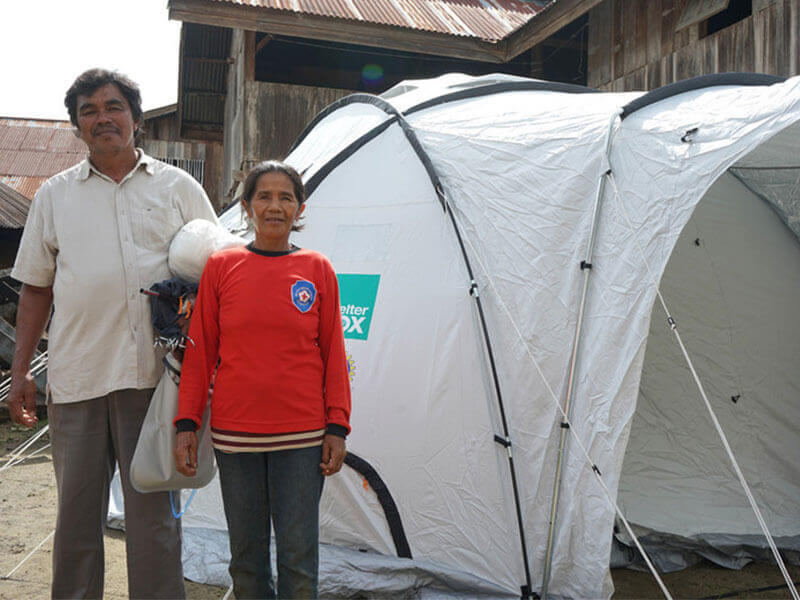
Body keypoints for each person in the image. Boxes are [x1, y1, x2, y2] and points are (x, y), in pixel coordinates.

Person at [7, 68, 218, 599]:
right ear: (77, 128)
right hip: (77, 379)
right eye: (88, 111)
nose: (102, 118)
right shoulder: (55, 196)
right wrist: (20, 371)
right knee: (77, 520)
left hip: (154, 381)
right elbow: (35, 289)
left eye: (113, 106)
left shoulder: (179, 188)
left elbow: (219, 275)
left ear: (136, 118)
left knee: (154, 520)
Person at [174, 160, 351, 599]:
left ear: (300, 207)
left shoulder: (317, 268)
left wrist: (337, 426)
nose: (275, 206)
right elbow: (200, 353)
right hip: (237, 437)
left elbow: (333, 354)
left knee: (299, 559)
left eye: (286, 197)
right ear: (246, 206)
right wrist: (186, 424)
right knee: (247, 561)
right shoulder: (221, 266)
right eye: (264, 196)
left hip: (303, 436)